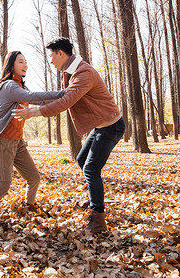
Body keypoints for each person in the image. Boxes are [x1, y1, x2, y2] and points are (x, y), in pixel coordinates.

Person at [12, 38, 125, 234]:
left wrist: (33, 112)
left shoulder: (84, 73)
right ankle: (94, 200)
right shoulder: (71, 73)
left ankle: (98, 220)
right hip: (100, 127)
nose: (50, 61)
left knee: (91, 167)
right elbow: (62, 95)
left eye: (51, 56)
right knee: (82, 160)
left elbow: (65, 102)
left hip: (111, 126)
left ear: (61, 54)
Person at [0, 51, 65, 229]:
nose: (25, 64)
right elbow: (31, 97)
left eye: (26, 61)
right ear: (11, 65)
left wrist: (65, 99)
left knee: (34, 177)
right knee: (3, 185)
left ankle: (29, 206)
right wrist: (62, 93)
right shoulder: (9, 86)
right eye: (21, 61)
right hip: (4, 141)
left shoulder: (20, 86)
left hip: (18, 142)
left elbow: (39, 102)